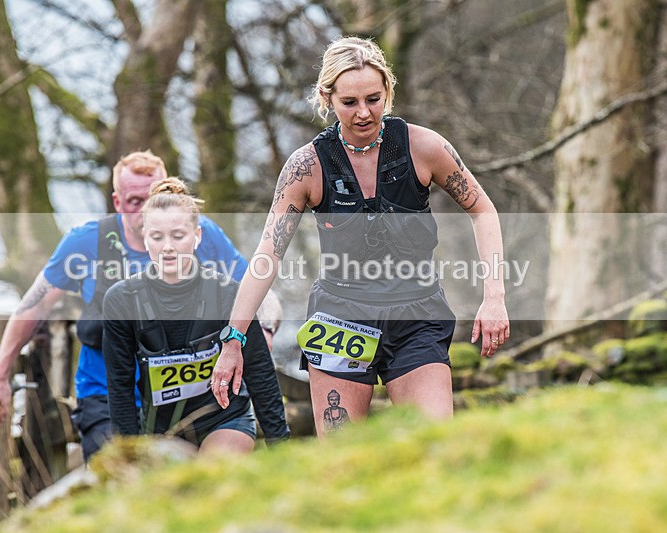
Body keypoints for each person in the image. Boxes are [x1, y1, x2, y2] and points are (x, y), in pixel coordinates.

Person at [211, 36, 510, 436]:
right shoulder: (307, 166)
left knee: (433, 445)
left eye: (374, 98)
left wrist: (494, 298)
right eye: (350, 103)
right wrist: (234, 337)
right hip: (340, 318)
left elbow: (483, 210)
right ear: (327, 98)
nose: (364, 113)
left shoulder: (423, 147)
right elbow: (268, 255)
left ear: (388, 90)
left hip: (415, 314)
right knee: (344, 455)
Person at [0, 150, 249, 461]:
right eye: (135, 201)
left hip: (189, 397)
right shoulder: (87, 243)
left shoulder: (201, 235)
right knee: (122, 481)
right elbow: (32, 306)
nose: (147, 207)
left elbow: (253, 292)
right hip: (107, 398)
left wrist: (259, 334)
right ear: (117, 202)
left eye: (154, 195)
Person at [102, 179, 289, 453]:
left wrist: (280, 446)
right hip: (160, 430)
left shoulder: (228, 293)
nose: (167, 247)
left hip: (225, 419)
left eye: (178, 236)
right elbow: (120, 386)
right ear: (144, 238)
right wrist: (127, 457)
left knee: (213, 477)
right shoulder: (121, 300)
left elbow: (260, 371)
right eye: (157, 237)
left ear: (197, 235)